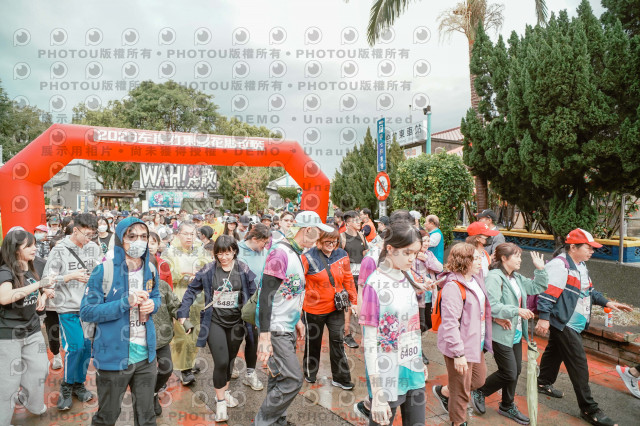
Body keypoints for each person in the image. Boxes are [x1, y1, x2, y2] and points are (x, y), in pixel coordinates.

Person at [535, 228, 631, 426]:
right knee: (579, 364)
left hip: (570, 322)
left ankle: (543, 382)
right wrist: (543, 318)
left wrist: (607, 302)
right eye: (588, 247)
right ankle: (589, 409)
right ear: (573, 247)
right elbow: (546, 294)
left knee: (555, 351)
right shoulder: (559, 265)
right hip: (564, 322)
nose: (592, 251)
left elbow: (589, 291)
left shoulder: (581, 265)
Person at [80, 217, 161, 425]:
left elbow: (157, 296)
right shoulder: (103, 270)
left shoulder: (151, 269)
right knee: (107, 416)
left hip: (146, 357)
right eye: (131, 236)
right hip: (113, 357)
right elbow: (87, 312)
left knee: (147, 417)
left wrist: (153, 305)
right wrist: (126, 302)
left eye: (143, 236)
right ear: (120, 239)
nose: (138, 241)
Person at [254, 211, 331, 426]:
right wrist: (265, 337)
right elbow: (266, 296)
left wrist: (297, 320)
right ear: (308, 230)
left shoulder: (295, 252)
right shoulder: (280, 253)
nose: (319, 238)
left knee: (278, 376)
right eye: (318, 233)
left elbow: (288, 291)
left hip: (286, 325)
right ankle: (262, 423)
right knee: (293, 379)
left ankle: (277, 421)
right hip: (276, 327)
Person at [177, 235, 257, 422]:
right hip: (214, 321)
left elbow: (254, 293)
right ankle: (220, 402)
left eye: (227, 253)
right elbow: (191, 290)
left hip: (237, 322)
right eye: (220, 253)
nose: (224, 257)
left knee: (229, 361)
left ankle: (225, 392)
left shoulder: (243, 269)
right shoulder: (208, 270)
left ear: (234, 251)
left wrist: (258, 316)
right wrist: (183, 311)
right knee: (221, 361)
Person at [472, 243, 548, 424]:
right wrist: (516, 310)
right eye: (517, 256)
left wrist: (540, 270)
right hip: (500, 333)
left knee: (516, 371)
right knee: (509, 372)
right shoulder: (494, 277)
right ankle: (480, 391)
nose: (520, 260)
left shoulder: (515, 277)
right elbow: (491, 305)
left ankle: (507, 405)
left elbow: (537, 287)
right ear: (504, 258)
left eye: (520, 256)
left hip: (515, 332)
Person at [359, 221, 426, 426]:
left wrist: (418, 359)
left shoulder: (406, 277)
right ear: (390, 248)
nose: (412, 258)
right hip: (387, 375)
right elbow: (370, 342)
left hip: (412, 369)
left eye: (415, 253)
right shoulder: (375, 285)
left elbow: (411, 327)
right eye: (407, 253)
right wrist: (377, 393)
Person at [43, 213, 101, 410]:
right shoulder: (59, 250)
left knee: (86, 348)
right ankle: (66, 386)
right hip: (68, 306)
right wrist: (69, 277)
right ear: (75, 230)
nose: (90, 239)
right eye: (87, 234)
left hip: (89, 307)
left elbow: (99, 272)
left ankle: (79, 384)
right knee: (74, 347)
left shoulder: (94, 248)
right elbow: (47, 280)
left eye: (93, 235)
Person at [432, 242, 492, 426]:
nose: (480, 262)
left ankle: (445, 392)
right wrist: (458, 354)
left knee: (478, 380)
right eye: (476, 258)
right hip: (460, 346)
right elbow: (450, 323)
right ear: (464, 261)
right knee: (462, 391)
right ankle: (458, 421)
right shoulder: (453, 286)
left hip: (476, 343)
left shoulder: (476, 278)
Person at [0, 229, 52, 425]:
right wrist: (38, 285)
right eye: (29, 246)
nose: (34, 248)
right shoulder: (5, 271)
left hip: (32, 329)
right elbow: (5, 297)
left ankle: (30, 402)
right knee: (8, 383)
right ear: (15, 249)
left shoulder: (30, 268)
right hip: (8, 334)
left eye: (34, 245)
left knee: (41, 369)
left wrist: (42, 296)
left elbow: (33, 291)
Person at [302, 225, 357, 390]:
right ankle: (310, 372)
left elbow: (348, 278)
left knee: (337, 341)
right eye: (328, 241)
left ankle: (341, 378)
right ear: (319, 240)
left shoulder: (342, 254)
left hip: (336, 307)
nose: (332, 244)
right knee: (313, 341)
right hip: (313, 309)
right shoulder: (307, 257)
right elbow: (299, 283)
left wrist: (354, 301)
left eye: (335, 241)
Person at [162, 221, 210, 386]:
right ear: (178, 234)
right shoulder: (170, 252)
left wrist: (201, 274)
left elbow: (208, 265)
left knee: (195, 332)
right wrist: (186, 276)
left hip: (198, 299)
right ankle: (185, 370)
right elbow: (167, 272)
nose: (189, 237)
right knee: (183, 334)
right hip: (180, 297)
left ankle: (190, 361)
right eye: (186, 234)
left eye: (192, 234)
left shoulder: (200, 249)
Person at [234, 224, 272, 391]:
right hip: (237, 302)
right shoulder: (236, 250)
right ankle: (230, 365)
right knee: (234, 338)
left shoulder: (265, 252)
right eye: (264, 242)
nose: (266, 245)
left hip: (256, 302)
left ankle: (250, 373)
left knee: (252, 338)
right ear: (255, 239)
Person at [414, 230, 443, 366]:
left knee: (429, 323)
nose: (426, 243)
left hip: (430, 295)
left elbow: (439, 267)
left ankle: (414, 344)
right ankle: (418, 351)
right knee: (419, 324)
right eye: (423, 241)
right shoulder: (412, 255)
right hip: (418, 296)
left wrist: (426, 260)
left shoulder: (429, 254)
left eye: (427, 241)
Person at [340, 210, 368, 349]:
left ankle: (366, 336)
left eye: (359, 220)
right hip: (347, 276)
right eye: (356, 220)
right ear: (348, 223)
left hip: (361, 276)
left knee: (362, 304)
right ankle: (347, 335)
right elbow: (338, 257)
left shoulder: (362, 236)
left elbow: (365, 254)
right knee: (349, 307)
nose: (359, 222)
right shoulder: (342, 237)